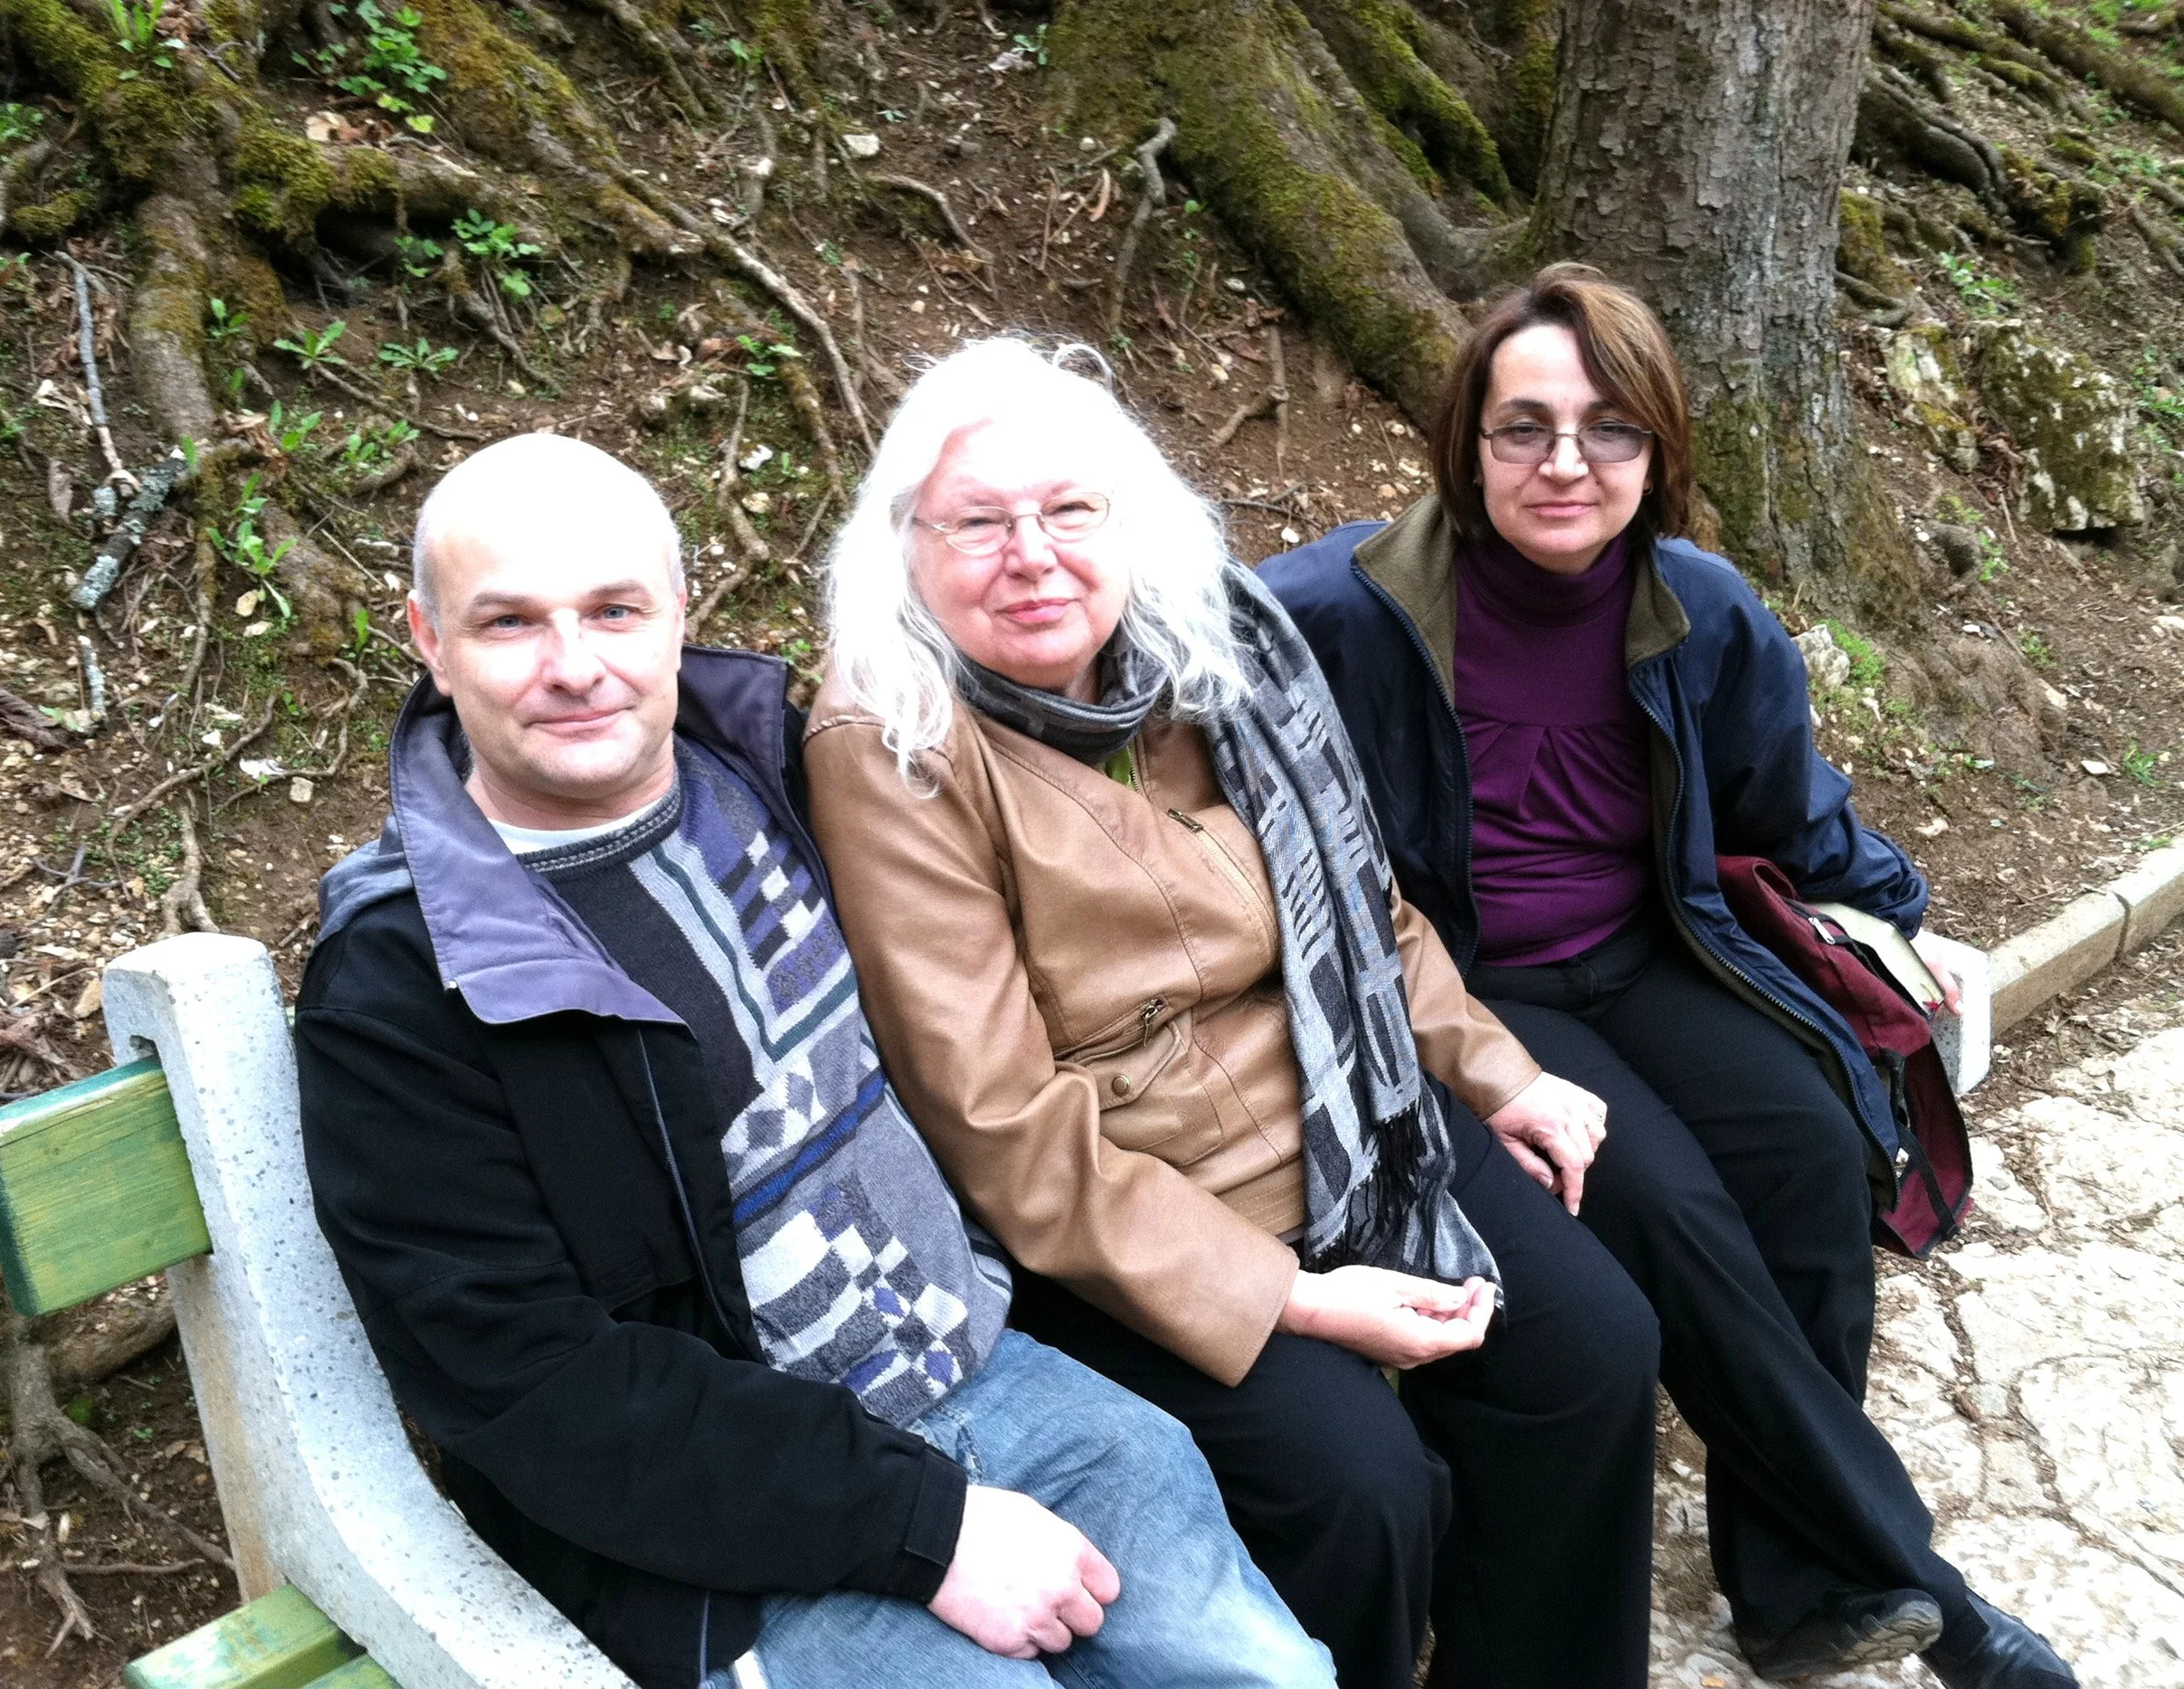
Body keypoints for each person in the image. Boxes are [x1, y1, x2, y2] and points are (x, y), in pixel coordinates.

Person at [292, 432, 1338, 1689]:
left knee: (1272, 1671)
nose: (575, 666)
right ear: (429, 638)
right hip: (715, 1539)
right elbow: (532, 1387)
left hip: (981, 1362)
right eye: (509, 623)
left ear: (681, 612)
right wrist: (925, 1522)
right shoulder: (407, 980)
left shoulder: (771, 770)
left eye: (615, 610)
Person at [1259, 264, 2077, 1689]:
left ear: (1659, 447)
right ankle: (1920, 1577)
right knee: (1670, 1203)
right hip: (1467, 989)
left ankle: (1804, 1580)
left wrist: (1901, 912)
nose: (1566, 462)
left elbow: (1784, 802)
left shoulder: (1699, 605)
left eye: (1608, 428)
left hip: (1648, 954)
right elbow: (1191, 680)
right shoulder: (1347, 606)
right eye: (1524, 426)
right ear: (1467, 439)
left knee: (1816, 1149)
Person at [802, 338, 1665, 1689]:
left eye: (1069, 510)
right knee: (1360, 1488)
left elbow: (1364, 914)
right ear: (905, 546)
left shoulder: (1209, 649)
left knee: (1591, 1354)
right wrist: (1305, 1303)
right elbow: (1003, 1129)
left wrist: (1498, 1074)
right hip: (1133, 1214)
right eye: (976, 522)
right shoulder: (896, 741)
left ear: (1128, 520)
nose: (1030, 554)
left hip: (1349, 1119)